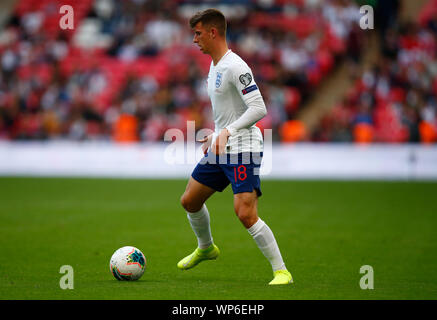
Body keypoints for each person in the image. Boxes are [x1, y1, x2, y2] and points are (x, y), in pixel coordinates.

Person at [177, 8, 292, 285]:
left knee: (245, 213)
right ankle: (206, 248)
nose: (195, 39)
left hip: (244, 148)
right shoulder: (215, 65)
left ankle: (282, 271)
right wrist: (216, 134)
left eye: (198, 33)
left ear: (213, 32)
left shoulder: (235, 66)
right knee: (190, 201)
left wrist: (228, 131)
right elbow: (229, 111)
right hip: (222, 146)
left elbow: (259, 107)